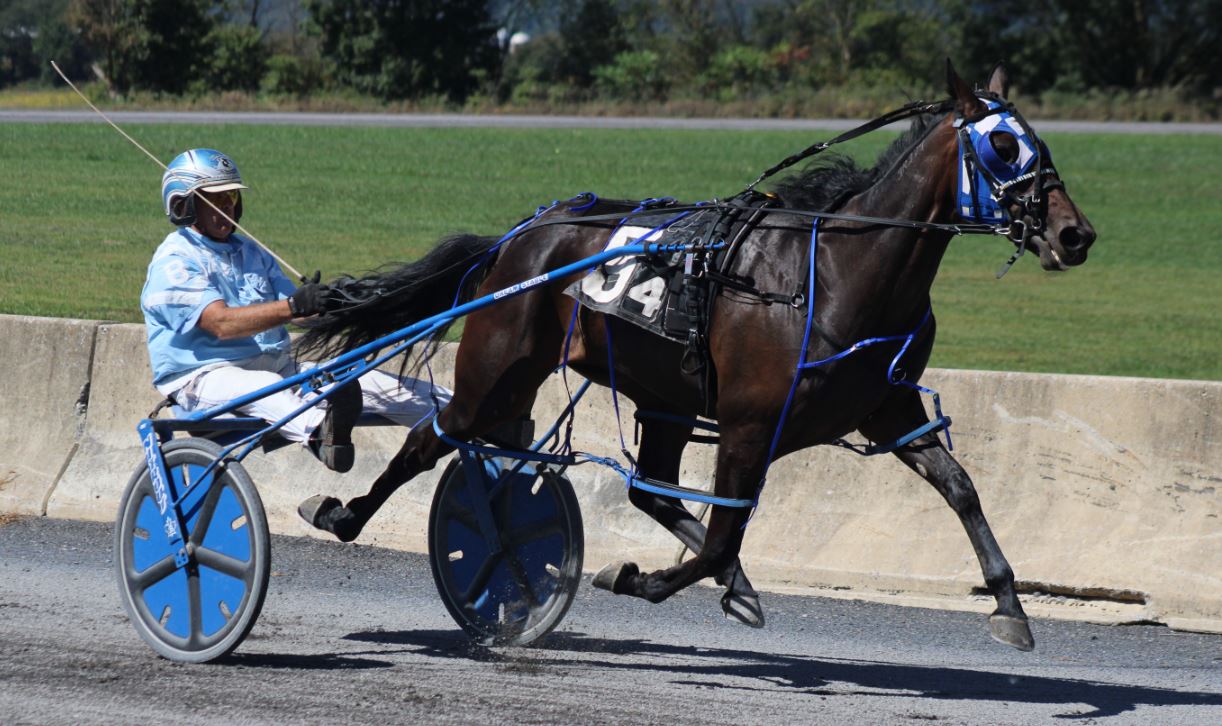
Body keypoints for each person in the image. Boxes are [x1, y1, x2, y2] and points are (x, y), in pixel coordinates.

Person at [140, 148, 446, 472]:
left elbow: (300, 312)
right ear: (184, 205)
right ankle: (321, 434)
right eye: (214, 199)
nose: (227, 206)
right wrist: (292, 306)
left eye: (230, 195)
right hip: (202, 381)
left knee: (367, 380)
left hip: (278, 371)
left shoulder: (251, 252)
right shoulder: (174, 261)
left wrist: (348, 300)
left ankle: (464, 415)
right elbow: (221, 324)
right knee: (258, 386)